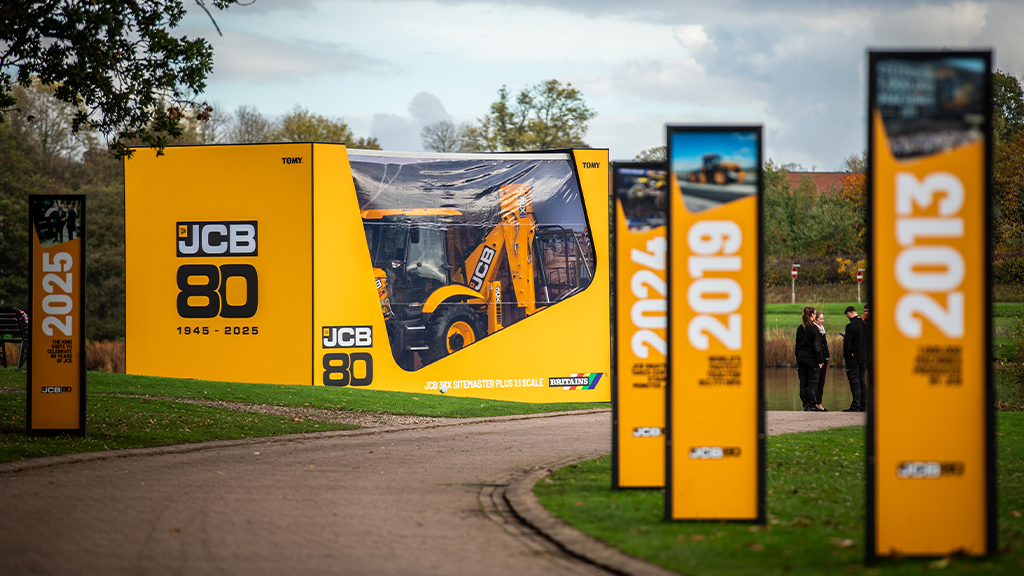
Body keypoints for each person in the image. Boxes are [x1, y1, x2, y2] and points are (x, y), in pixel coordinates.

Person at [795, 306, 825, 412]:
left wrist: (797, 358)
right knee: (812, 382)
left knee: (803, 383)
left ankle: (805, 404)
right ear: (812, 315)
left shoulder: (800, 328)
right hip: (811, 359)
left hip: (801, 358)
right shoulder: (813, 329)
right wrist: (820, 360)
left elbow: (797, 345)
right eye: (815, 313)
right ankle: (812, 405)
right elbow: (817, 346)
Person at [842, 305, 868, 412]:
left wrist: (846, 355)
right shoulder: (865, 325)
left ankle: (855, 405)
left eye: (847, 316)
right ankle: (862, 405)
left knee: (854, 380)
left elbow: (847, 344)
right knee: (862, 380)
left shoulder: (850, 326)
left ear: (848, 314)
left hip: (853, 358)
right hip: (863, 357)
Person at [813, 310, 830, 411]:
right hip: (818, 360)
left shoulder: (822, 329)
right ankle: (815, 403)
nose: (823, 321)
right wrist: (819, 360)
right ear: (815, 320)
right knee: (816, 381)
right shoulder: (814, 330)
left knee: (822, 381)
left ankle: (819, 403)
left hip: (825, 358)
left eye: (823, 318)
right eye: (821, 319)